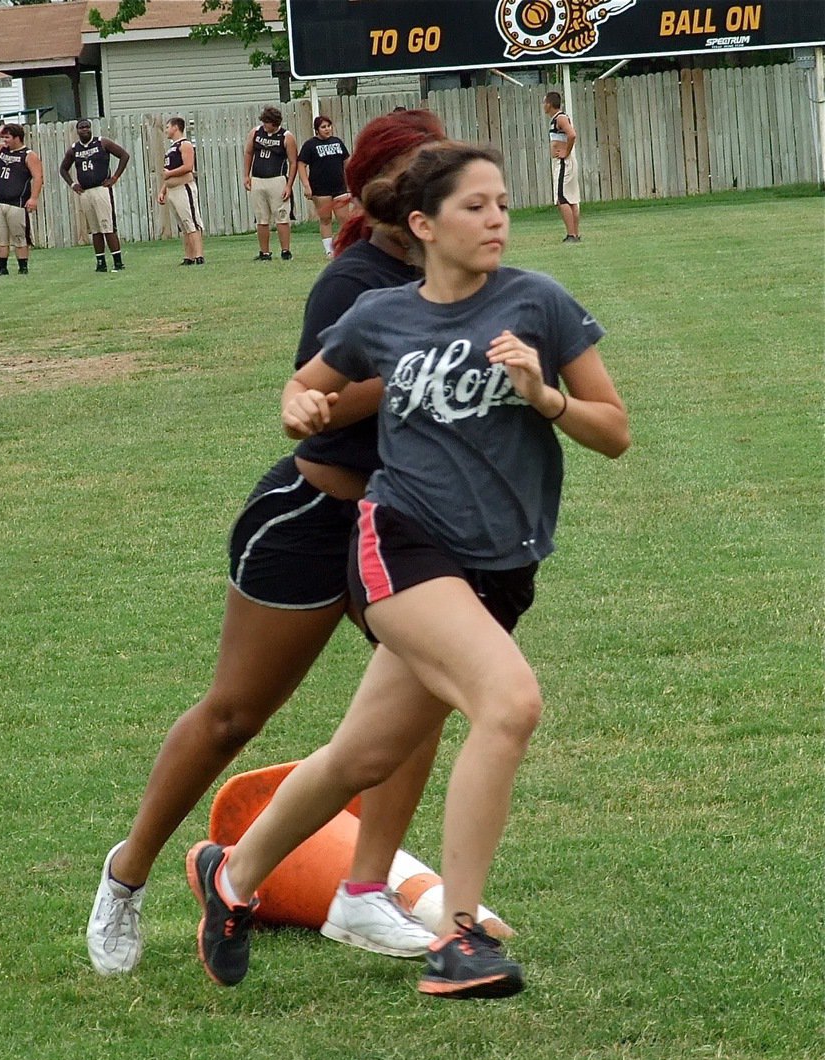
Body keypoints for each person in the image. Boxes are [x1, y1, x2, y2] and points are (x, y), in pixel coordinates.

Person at [186, 141, 630, 998]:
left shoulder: (540, 304)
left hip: (499, 570)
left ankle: (232, 877)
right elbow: (301, 390)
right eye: (475, 206)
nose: (497, 217)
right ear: (422, 225)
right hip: (400, 541)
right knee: (509, 702)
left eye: (503, 202)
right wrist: (300, 405)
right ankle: (458, 936)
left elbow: (614, 429)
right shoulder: (381, 316)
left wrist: (548, 399)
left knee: (361, 754)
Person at [88, 110, 450, 978]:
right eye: (426, 172)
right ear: (387, 190)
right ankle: (126, 874)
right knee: (233, 716)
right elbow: (315, 398)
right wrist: (426, 357)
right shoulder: (353, 281)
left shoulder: (453, 276)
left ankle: (363, 891)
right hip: (309, 518)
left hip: (397, 527)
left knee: (429, 686)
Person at [58, 119, 130, 273]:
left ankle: (118, 262)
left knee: (107, 226)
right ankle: (100, 263)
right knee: (95, 229)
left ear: (91, 129)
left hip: (101, 189)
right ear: (77, 131)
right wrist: (72, 184)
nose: (85, 130)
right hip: (85, 191)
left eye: (87, 127)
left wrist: (115, 177)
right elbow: (63, 169)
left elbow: (124, 155)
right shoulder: (74, 149)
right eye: (81, 128)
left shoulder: (102, 143)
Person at [0, 123, 44, 275]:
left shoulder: (28, 155)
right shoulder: (3, 151)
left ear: (17, 138)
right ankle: (2, 268)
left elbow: (38, 177)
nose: (4, 140)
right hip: (0, 201)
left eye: (7, 137)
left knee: (19, 236)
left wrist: (33, 198)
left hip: (18, 203)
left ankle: (23, 267)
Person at [243, 105, 298, 261]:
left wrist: (289, 185)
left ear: (275, 123)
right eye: (264, 122)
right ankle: (264, 252)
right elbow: (248, 153)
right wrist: (246, 175)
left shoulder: (286, 136)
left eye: (268, 123)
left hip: (277, 179)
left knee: (281, 216)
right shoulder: (255, 133)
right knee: (261, 218)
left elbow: (293, 162)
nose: (265, 125)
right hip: (258, 179)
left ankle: (285, 251)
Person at [297, 115, 350, 259]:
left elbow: (346, 161)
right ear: (317, 130)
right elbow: (301, 164)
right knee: (325, 219)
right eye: (323, 127)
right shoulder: (310, 145)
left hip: (339, 187)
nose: (327, 129)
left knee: (344, 219)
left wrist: (350, 181)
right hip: (320, 189)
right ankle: (329, 250)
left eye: (329, 126)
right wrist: (306, 185)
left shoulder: (337, 142)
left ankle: (346, 248)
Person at [157, 116, 204, 266]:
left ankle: (199, 255)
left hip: (184, 188)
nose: (166, 130)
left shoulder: (185, 145)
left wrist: (169, 174)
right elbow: (168, 170)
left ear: (176, 127)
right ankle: (188, 256)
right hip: (173, 190)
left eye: (167, 127)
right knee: (183, 225)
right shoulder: (171, 147)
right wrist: (163, 190)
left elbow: (188, 167)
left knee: (191, 222)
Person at [544, 92, 581, 242]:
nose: (543, 106)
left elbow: (572, 134)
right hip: (564, 162)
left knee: (562, 198)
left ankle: (571, 234)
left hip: (563, 163)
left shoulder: (560, 118)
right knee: (570, 198)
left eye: (544, 102)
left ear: (549, 104)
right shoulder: (556, 119)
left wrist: (566, 151)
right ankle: (575, 234)